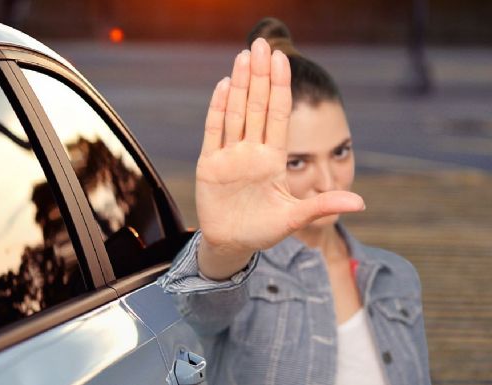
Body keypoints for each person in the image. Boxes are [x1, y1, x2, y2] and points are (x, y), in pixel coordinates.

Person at [158, 18, 431, 385]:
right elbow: (194, 316)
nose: (328, 181)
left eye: (340, 152)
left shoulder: (396, 277)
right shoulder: (243, 281)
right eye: (298, 162)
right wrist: (224, 250)